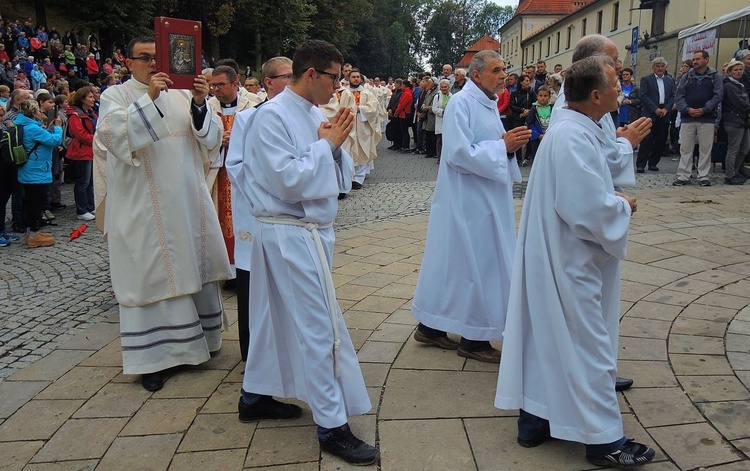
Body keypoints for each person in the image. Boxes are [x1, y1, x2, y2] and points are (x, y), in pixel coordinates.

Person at [495, 55, 655, 468]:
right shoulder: (571, 136)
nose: (622, 88)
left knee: (548, 339)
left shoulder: (574, 128)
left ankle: (535, 418)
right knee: (589, 346)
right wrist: (622, 207)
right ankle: (604, 442)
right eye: (616, 84)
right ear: (597, 94)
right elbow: (583, 206)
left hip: (557, 252)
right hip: (571, 260)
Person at [234, 39, 378, 466]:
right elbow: (287, 181)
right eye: (335, 76)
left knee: (269, 319)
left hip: (306, 231)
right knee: (320, 329)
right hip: (289, 234)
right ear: (311, 73)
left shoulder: (315, 113)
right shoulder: (271, 117)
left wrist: (333, 147)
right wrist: (327, 146)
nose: (340, 85)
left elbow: (341, 175)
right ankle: (332, 426)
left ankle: (254, 396)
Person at [93, 36, 232, 392]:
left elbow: (211, 139)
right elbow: (113, 137)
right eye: (144, 58)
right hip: (143, 205)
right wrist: (150, 99)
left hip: (186, 201)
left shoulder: (185, 95)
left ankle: (202, 341)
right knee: (151, 275)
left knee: (190, 266)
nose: (154, 64)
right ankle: (154, 360)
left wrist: (201, 103)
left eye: (159, 58)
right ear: (128, 62)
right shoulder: (118, 96)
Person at [411, 50, 531, 364]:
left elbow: (485, 144)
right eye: (496, 70)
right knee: (482, 264)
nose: (503, 75)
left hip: (484, 196)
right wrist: (502, 147)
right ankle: (475, 339)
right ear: (476, 75)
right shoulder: (462, 103)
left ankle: (430, 326)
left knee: (455, 265)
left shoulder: (487, 102)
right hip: (469, 200)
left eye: (504, 69)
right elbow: (457, 152)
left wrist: (505, 147)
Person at [552, 34, 652, 393]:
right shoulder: (573, 128)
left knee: (591, 322)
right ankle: (591, 411)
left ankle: (595, 378)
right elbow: (583, 203)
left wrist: (621, 142)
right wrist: (621, 205)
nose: (620, 78)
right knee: (583, 325)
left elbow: (596, 165)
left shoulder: (585, 119)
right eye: (613, 66)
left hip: (583, 242)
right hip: (577, 247)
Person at [225, 55, 293, 363]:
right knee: (254, 288)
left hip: (293, 222)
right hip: (259, 216)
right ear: (268, 82)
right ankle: (253, 356)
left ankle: (287, 351)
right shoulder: (248, 118)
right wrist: (274, 194)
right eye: (288, 77)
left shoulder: (306, 115)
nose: (295, 83)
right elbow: (236, 166)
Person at [207, 65, 258, 288]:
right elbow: (199, 141)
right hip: (217, 174)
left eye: (220, 85)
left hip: (245, 175)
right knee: (219, 219)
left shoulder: (254, 105)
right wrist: (218, 140)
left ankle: (247, 269)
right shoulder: (207, 108)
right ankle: (227, 271)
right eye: (213, 85)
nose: (215, 89)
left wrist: (237, 139)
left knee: (244, 218)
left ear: (235, 84)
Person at [14, 100, 63, 247]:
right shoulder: (32, 129)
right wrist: (58, 128)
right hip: (36, 171)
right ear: (34, 113)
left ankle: (32, 231)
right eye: (39, 112)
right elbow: (55, 140)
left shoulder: (23, 125)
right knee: (36, 203)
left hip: (31, 169)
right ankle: (33, 235)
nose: (41, 114)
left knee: (32, 202)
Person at [673, 50, 723, 187]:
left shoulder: (715, 76)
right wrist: (688, 109)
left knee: (705, 148)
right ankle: (683, 175)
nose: (695, 62)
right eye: (693, 59)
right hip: (687, 118)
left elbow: (718, 96)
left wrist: (705, 109)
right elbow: (679, 95)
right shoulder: (687, 77)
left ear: (706, 59)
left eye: (698, 59)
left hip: (707, 118)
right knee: (685, 147)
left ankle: (703, 176)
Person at [342, 68, 382, 188]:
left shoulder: (366, 93)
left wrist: (361, 109)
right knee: (349, 149)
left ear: (361, 78)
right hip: (348, 124)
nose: (355, 79)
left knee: (362, 149)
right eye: (353, 77)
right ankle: (349, 176)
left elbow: (374, 107)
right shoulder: (343, 92)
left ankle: (358, 179)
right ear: (349, 78)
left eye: (357, 77)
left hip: (362, 124)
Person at [636, 57, 674, 173]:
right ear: (653, 68)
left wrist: (666, 109)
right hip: (650, 112)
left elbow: (673, 95)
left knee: (661, 140)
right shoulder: (646, 79)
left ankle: (653, 163)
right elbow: (643, 96)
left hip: (664, 113)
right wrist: (655, 109)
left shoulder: (670, 80)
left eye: (662, 66)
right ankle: (641, 164)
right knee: (647, 140)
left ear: (665, 67)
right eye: (658, 66)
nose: (660, 68)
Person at [66, 85, 98, 221]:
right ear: (82, 99)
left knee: (90, 181)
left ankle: (90, 206)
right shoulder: (75, 115)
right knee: (83, 182)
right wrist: (97, 139)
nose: (93, 99)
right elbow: (80, 135)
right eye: (90, 97)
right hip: (81, 151)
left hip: (90, 150)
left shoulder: (91, 113)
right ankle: (82, 209)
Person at [721, 60, 750, 185]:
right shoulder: (729, 85)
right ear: (730, 72)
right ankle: (730, 175)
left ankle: (736, 171)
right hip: (733, 120)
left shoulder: (740, 85)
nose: (739, 72)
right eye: (736, 70)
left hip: (743, 120)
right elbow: (739, 103)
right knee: (734, 148)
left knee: (745, 148)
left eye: (740, 69)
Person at [524, 85, 552, 166]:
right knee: (537, 155)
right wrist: (538, 135)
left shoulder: (552, 107)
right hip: (537, 138)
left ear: (549, 97)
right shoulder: (534, 108)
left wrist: (549, 134)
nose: (543, 98)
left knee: (549, 156)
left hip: (549, 136)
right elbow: (530, 123)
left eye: (545, 96)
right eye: (540, 95)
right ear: (537, 96)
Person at [431, 78, 451, 164]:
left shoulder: (452, 96)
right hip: (440, 120)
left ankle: (447, 157)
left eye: (445, 87)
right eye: (442, 87)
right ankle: (439, 158)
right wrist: (443, 112)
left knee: (448, 141)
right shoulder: (437, 96)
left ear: (448, 87)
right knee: (439, 141)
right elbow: (434, 109)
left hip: (449, 121)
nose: (443, 89)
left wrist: (449, 112)